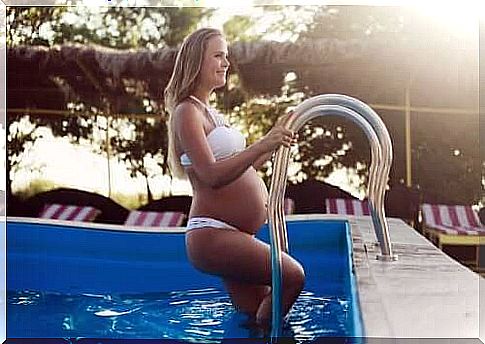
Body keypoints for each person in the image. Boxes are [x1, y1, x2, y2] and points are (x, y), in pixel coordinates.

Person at [164, 27, 305, 326]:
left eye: (226, 56)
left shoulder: (213, 114)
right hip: (214, 233)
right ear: (195, 61)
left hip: (234, 234)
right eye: (217, 55)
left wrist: (274, 139)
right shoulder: (187, 111)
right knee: (291, 277)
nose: (226, 63)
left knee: (254, 315)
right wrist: (262, 144)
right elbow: (212, 175)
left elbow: (245, 167)